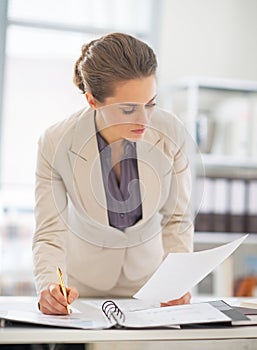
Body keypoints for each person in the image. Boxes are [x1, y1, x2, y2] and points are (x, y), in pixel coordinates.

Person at [33, 32, 193, 315]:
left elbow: (177, 219)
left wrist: (178, 281)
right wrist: (50, 285)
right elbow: (50, 232)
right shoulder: (56, 142)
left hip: (151, 288)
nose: (145, 120)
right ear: (93, 100)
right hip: (83, 289)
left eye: (150, 103)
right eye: (129, 109)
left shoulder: (171, 132)